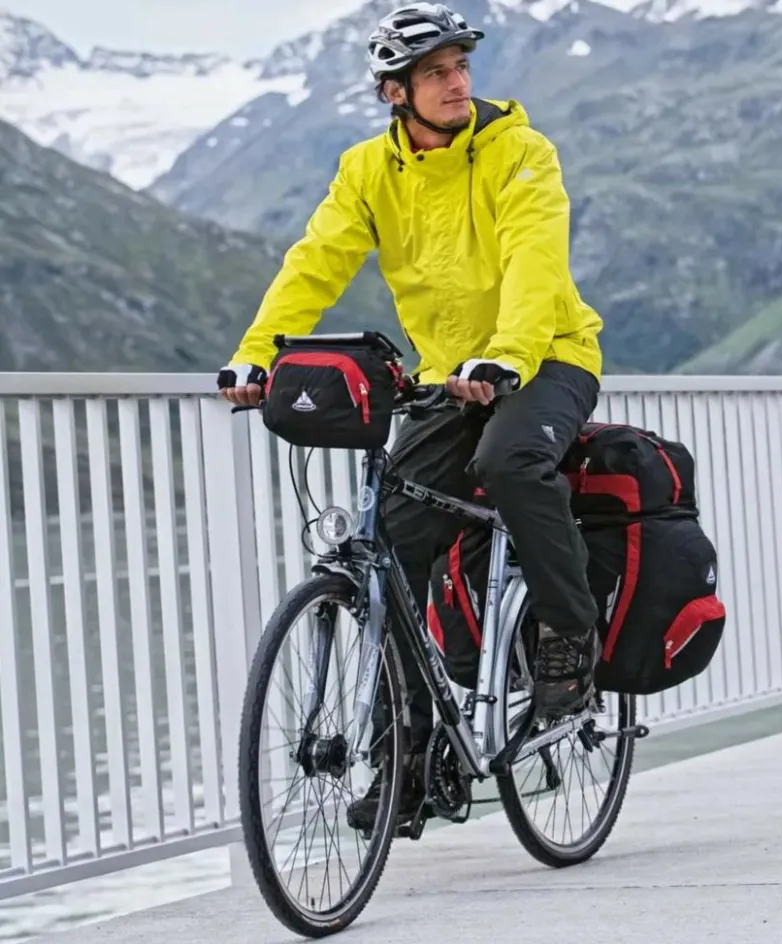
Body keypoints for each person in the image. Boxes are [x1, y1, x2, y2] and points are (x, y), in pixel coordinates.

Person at [217, 2, 604, 827]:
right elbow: (315, 264)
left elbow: (535, 258)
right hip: (444, 377)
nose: (458, 83)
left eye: (461, 67)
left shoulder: (520, 152)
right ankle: (412, 760)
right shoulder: (367, 171)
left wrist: (509, 354)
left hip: (548, 357)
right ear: (396, 92)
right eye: (436, 73)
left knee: (509, 462)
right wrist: (256, 354)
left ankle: (569, 636)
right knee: (389, 542)